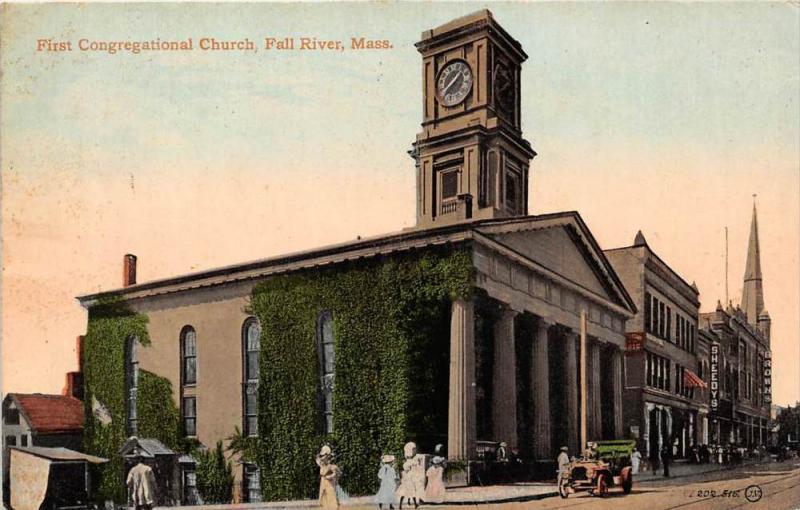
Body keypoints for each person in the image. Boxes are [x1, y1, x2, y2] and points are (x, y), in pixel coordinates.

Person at [397, 442, 424, 509]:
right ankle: (415, 504)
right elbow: (415, 466)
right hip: (409, 478)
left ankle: (400, 505)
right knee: (412, 492)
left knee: (403, 493)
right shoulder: (411, 462)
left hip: (405, 478)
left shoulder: (405, 464)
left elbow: (404, 471)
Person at [316, 445, 340, 510]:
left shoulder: (331, 465)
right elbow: (318, 459)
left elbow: (335, 474)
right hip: (323, 483)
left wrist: (329, 477)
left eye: (324, 455)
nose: (322, 457)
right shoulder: (322, 465)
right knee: (324, 500)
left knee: (331, 500)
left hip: (329, 484)